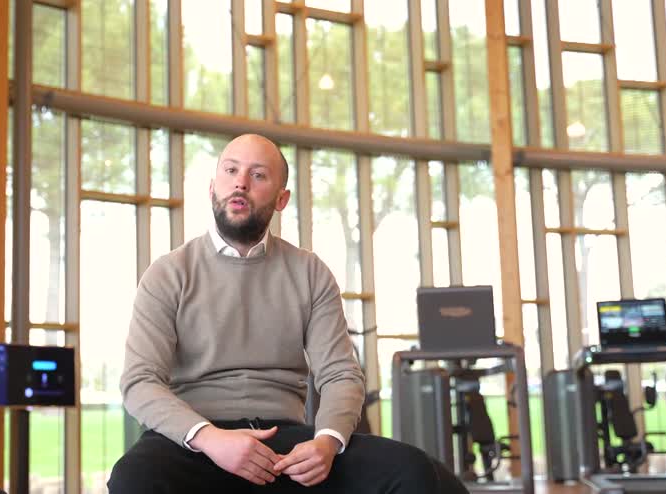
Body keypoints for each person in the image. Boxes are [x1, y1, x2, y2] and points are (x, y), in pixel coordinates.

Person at [108, 134, 469, 493]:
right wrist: (211, 439)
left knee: (413, 470)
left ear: (281, 199)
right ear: (212, 187)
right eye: (231, 170)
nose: (241, 182)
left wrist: (326, 441)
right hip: (195, 443)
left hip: (288, 445)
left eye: (258, 175)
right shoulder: (168, 273)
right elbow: (140, 381)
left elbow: (341, 374)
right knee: (132, 478)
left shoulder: (309, 272)